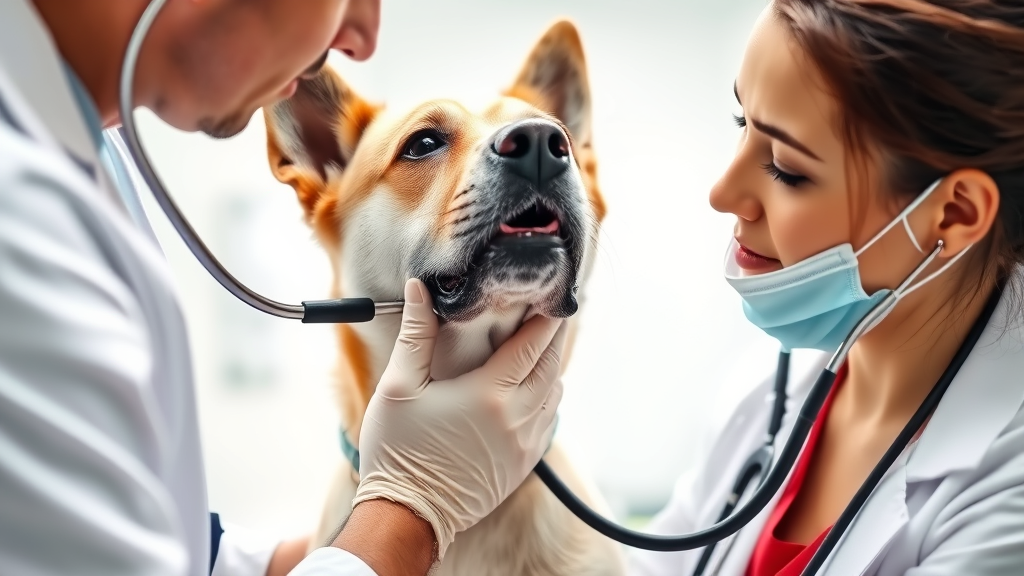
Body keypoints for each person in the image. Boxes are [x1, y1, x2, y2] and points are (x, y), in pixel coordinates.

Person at [0, 1, 565, 576]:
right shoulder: (17, 212)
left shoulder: (85, 150)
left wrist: (335, 542)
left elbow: (159, 547)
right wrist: (413, 501)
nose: (362, 36)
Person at [628, 1, 1024, 575]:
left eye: (787, 168)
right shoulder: (765, 388)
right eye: (743, 124)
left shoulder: (1006, 495)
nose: (722, 192)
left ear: (954, 213)